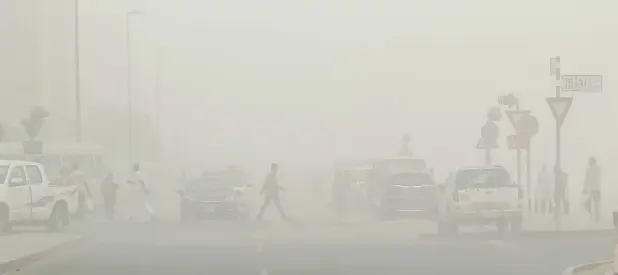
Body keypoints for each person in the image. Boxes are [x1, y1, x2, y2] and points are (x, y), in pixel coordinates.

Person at [583, 157, 601, 223]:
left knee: (587, 204)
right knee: (596, 204)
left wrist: (584, 188)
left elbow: (587, 180)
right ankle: (597, 218)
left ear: (592, 162)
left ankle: (591, 215)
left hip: (592, 189)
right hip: (598, 189)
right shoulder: (598, 169)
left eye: (589, 161)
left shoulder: (589, 170)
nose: (588, 163)